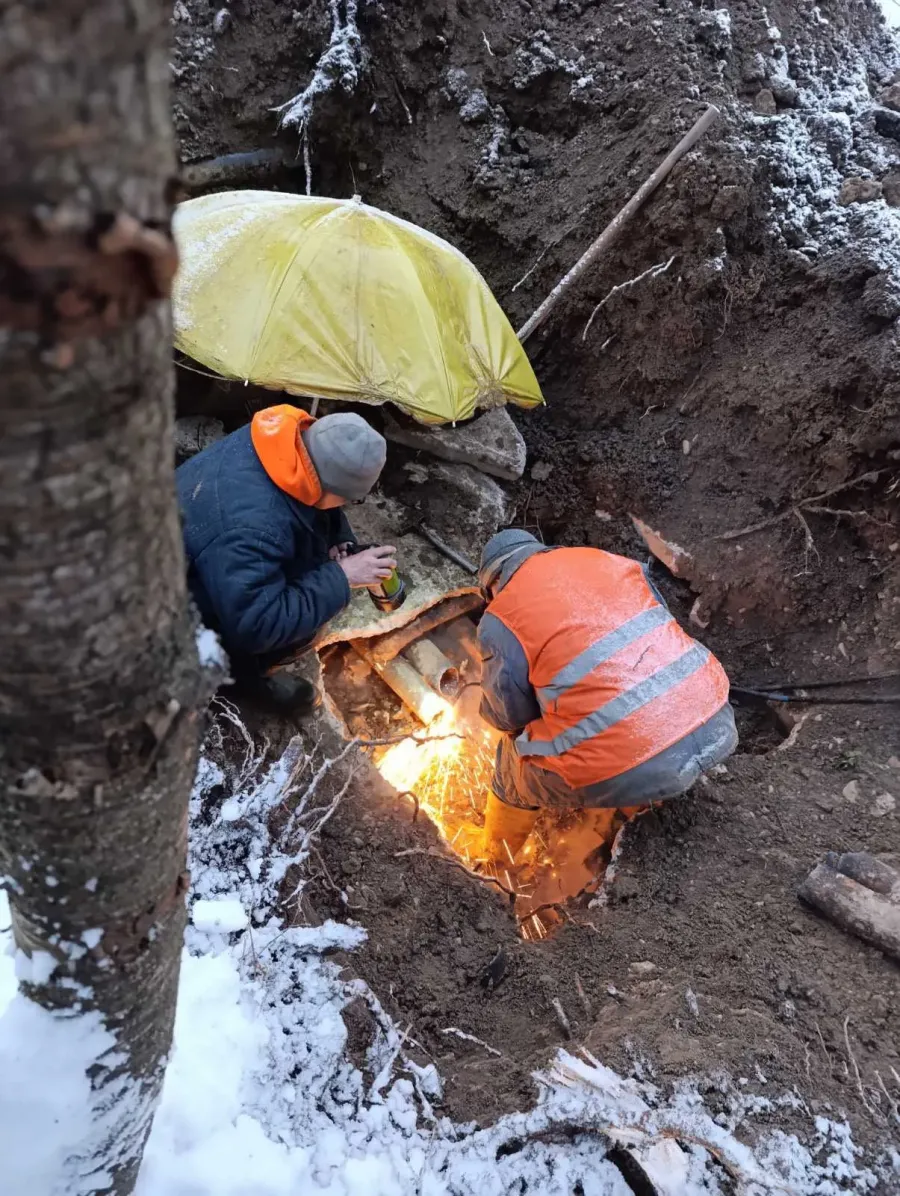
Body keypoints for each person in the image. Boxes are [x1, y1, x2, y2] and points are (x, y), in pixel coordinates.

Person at [475, 529, 738, 864]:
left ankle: (495, 863)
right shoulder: (607, 560)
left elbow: (508, 717)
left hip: (638, 759)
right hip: (716, 714)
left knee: (513, 763)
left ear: (493, 583)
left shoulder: (501, 615)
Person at [177, 403, 396, 712]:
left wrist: (339, 540)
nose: (347, 505)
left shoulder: (282, 440)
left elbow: (318, 500)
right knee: (298, 623)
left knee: (312, 574)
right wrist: (342, 577)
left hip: (193, 551)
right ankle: (241, 679)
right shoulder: (254, 529)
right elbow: (257, 624)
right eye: (351, 499)